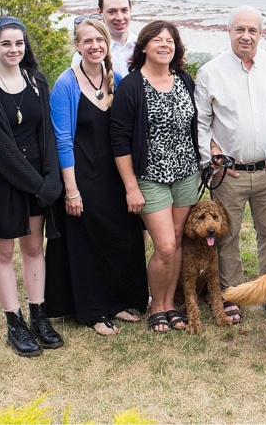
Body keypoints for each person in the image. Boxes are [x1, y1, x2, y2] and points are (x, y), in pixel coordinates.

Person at [46, 16, 148, 335]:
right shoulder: (66, 85)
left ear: (107, 44)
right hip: (82, 177)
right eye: (87, 40)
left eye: (100, 40)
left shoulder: (115, 78)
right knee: (87, 243)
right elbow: (62, 140)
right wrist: (71, 190)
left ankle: (117, 300)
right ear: (77, 45)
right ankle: (93, 310)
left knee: (119, 237)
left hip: (115, 176)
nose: (94, 46)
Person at [194, 5, 266, 322]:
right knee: (227, 236)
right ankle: (232, 295)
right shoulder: (210, 72)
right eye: (239, 29)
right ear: (229, 31)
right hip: (229, 174)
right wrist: (212, 160)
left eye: (252, 30)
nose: (246, 36)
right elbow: (201, 123)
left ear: (261, 33)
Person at [0, 16, 64, 357]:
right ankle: (14, 324)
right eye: (6, 43)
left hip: (39, 179)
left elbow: (47, 133)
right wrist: (39, 184)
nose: (14, 49)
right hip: (4, 180)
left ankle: (38, 317)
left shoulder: (37, 80)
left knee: (33, 248)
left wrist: (52, 177)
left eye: (19, 43)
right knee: (3, 253)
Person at [111, 20, 200, 333]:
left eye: (170, 40)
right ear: (145, 46)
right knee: (164, 246)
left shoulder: (184, 79)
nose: (165, 45)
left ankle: (170, 304)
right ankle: (156, 305)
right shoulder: (132, 86)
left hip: (186, 174)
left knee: (177, 239)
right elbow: (119, 140)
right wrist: (131, 187)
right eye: (158, 40)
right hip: (150, 176)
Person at [71, 0, 136, 78]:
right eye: (112, 11)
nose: (120, 17)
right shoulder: (89, 51)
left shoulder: (143, 46)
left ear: (131, 9)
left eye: (124, 10)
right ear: (100, 12)